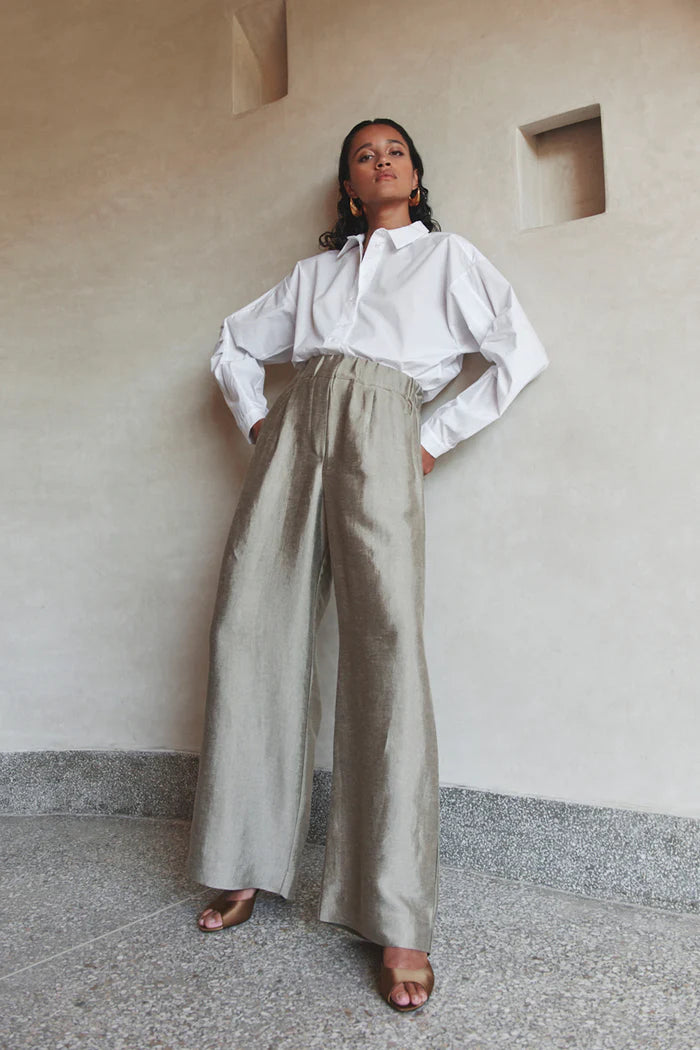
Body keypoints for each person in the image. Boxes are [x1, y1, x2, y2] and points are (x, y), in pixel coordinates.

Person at [187, 117, 548, 1014]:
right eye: (362, 154)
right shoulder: (314, 276)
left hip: (386, 426)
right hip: (296, 428)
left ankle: (397, 917)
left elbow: (520, 354)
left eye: (394, 151)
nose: (379, 160)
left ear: (414, 177)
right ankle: (242, 859)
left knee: (384, 649)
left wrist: (428, 440)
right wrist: (261, 421)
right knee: (251, 629)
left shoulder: (450, 259)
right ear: (348, 187)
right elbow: (233, 343)